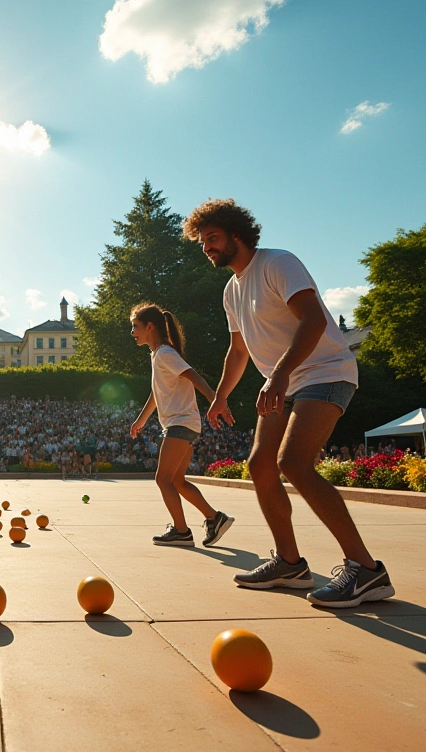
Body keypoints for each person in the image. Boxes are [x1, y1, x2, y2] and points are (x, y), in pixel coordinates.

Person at [188, 198, 393, 608]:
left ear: (236, 234)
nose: (206, 247)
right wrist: (221, 395)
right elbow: (238, 349)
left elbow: (315, 320)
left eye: (211, 238)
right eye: (201, 241)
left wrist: (279, 374)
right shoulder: (232, 289)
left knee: (293, 463)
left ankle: (367, 570)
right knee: (260, 465)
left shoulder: (278, 264)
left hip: (325, 371)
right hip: (284, 380)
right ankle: (289, 563)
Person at [128, 302, 234, 547]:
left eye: (135, 327)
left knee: (162, 479)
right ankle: (215, 518)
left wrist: (217, 400)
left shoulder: (166, 353)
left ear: (150, 327)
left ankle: (181, 531)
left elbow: (193, 375)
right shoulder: (157, 355)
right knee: (176, 480)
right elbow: (156, 393)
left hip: (181, 423)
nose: (132, 333)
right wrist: (141, 420)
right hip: (183, 424)